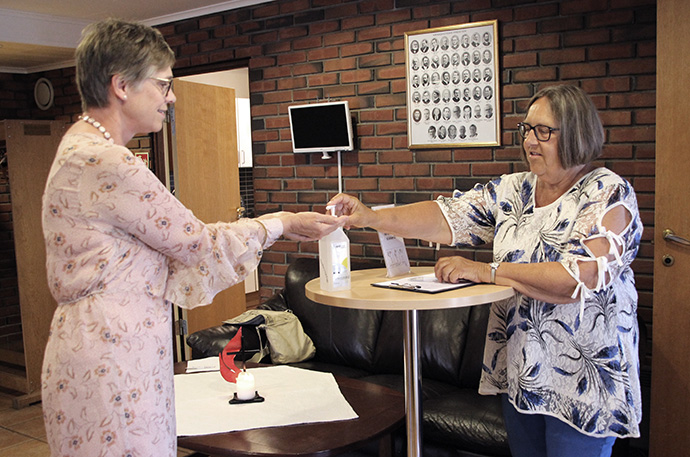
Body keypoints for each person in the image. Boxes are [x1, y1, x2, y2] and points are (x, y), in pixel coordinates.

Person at [40, 18, 345, 457]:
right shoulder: (106, 161)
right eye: (163, 84)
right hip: (113, 361)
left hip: (93, 349)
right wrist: (282, 222)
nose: (172, 96)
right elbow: (197, 243)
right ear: (122, 85)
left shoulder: (76, 145)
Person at [328, 85, 642, 457]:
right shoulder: (514, 189)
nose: (530, 141)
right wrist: (371, 217)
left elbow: (576, 280)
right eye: (527, 129)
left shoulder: (608, 192)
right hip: (523, 374)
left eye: (544, 131)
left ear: (576, 133)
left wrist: (485, 271)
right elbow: (446, 215)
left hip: (583, 383)